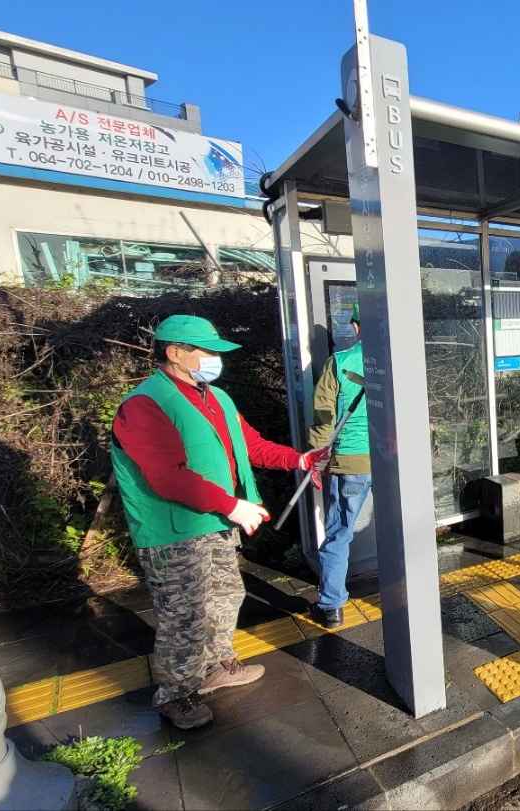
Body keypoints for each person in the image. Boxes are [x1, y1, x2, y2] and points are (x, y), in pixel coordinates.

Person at [110, 315, 329, 730]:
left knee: (225, 596)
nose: (214, 359)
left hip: (214, 523)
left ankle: (213, 669)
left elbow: (251, 445)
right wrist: (231, 505)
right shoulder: (143, 405)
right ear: (174, 353)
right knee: (185, 615)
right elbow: (166, 475)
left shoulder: (216, 398)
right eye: (206, 352)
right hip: (173, 532)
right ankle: (177, 694)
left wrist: (298, 460)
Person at [307, 299, 371, 628]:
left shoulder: (339, 362)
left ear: (356, 327)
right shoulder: (396, 363)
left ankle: (331, 606)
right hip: (391, 461)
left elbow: (323, 419)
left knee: (339, 532)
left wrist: (317, 460)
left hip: (351, 463)